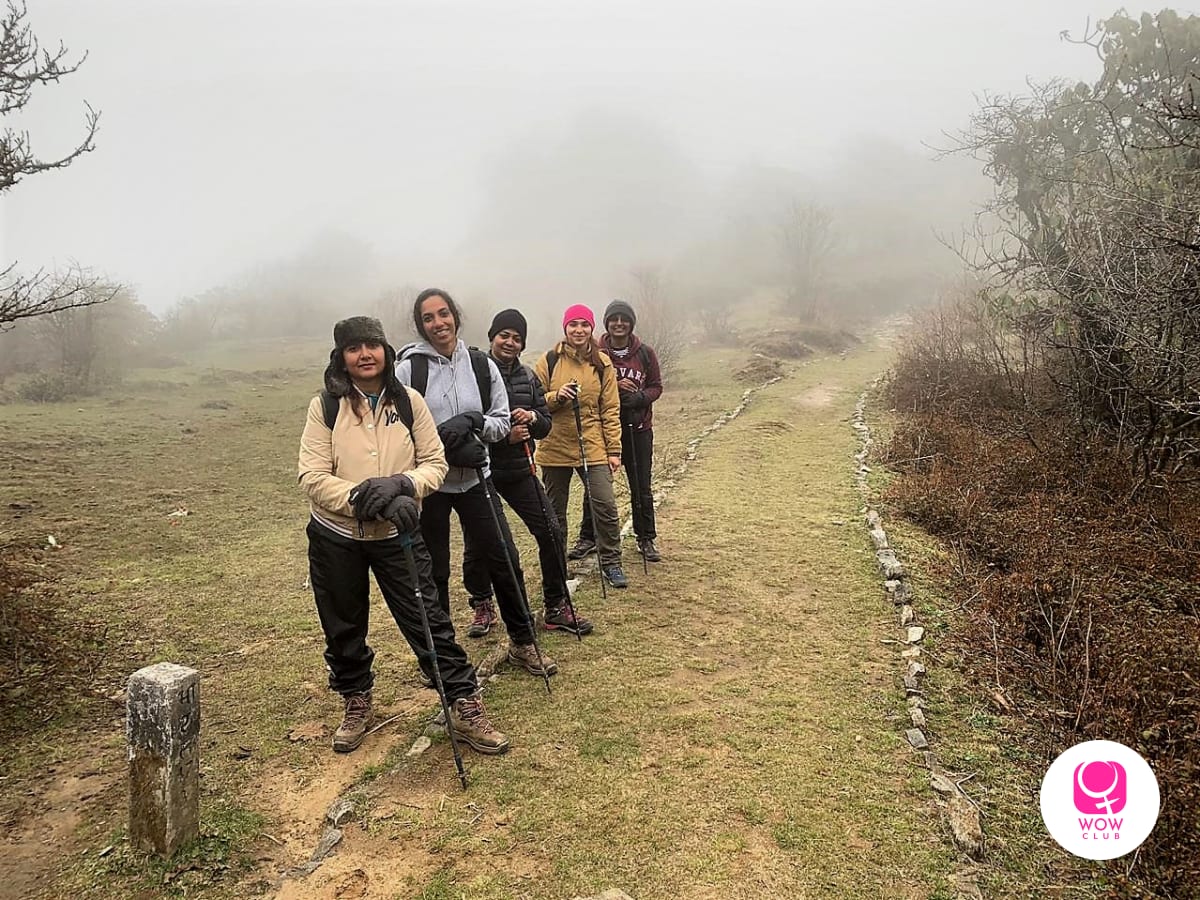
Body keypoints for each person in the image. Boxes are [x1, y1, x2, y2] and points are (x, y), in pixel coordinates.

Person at [298, 315, 508, 755]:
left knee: (429, 619)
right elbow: (312, 476)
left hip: (397, 534)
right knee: (343, 624)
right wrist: (367, 498)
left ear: (385, 351)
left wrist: (403, 487)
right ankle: (356, 697)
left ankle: (463, 701)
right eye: (354, 348)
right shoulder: (327, 406)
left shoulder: (410, 402)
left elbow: (434, 462)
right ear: (341, 358)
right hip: (336, 533)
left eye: (371, 346)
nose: (364, 355)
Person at [396, 289, 557, 678]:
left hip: (476, 479)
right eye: (429, 318)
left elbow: (502, 419)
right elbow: (396, 431)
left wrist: (474, 424)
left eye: (444, 314)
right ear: (421, 325)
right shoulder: (408, 371)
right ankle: (440, 656)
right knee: (433, 571)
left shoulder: (481, 366)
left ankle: (522, 642)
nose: (439, 323)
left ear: (456, 316)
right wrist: (441, 445)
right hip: (431, 483)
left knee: (504, 558)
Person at [461, 309, 594, 636]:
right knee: (480, 542)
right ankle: (482, 603)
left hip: (520, 468)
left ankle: (556, 606)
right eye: (504, 335)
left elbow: (544, 423)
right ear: (492, 337)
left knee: (551, 530)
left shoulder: (527, 376)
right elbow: (461, 426)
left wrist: (533, 420)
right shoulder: (471, 375)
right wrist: (503, 435)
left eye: (517, 337)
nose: (510, 342)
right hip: (482, 473)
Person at [533, 304, 627, 588]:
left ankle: (611, 562)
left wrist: (614, 450)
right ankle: (556, 568)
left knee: (605, 506)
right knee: (554, 514)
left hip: (593, 445)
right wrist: (557, 397)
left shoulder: (602, 363)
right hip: (555, 447)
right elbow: (535, 402)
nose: (579, 330)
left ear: (591, 329)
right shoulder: (548, 361)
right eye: (573, 324)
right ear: (565, 328)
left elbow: (610, 408)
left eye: (584, 324)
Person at [571, 299, 664, 562]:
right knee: (596, 486)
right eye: (614, 319)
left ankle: (646, 538)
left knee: (641, 486)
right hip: (604, 430)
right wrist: (613, 385)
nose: (619, 324)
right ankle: (588, 537)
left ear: (631, 324)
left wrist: (641, 398)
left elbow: (656, 385)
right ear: (607, 323)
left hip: (638, 428)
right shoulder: (595, 352)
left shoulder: (645, 353)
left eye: (624, 319)